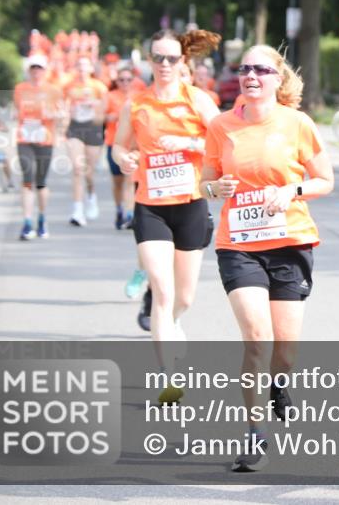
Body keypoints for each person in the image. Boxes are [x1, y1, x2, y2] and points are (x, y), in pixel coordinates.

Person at [200, 44, 334, 472]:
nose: (251, 75)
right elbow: (205, 181)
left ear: (278, 78)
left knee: (285, 351)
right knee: (256, 338)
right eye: (245, 69)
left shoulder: (298, 123)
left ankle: (280, 383)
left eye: (261, 69)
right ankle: (254, 433)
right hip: (238, 243)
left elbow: (324, 180)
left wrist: (290, 190)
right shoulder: (221, 126)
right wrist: (213, 190)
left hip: (289, 241)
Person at [112, 29, 220, 400]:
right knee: (162, 289)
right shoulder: (136, 104)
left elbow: (224, 140)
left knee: (184, 297)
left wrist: (189, 142)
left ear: (183, 61)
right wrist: (124, 159)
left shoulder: (199, 101)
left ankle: (173, 322)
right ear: (149, 60)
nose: (165, 65)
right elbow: (118, 146)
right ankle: (167, 373)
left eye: (172, 58)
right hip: (151, 206)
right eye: (158, 58)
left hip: (190, 203)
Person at [14, 55, 65, 240]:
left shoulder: (53, 90)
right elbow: (16, 110)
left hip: (45, 139)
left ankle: (42, 218)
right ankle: (27, 223)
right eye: (33, 68)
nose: (36, 71)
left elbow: (62, 114)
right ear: (29, 70)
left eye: (39, 68)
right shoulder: (20, 89)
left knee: (41, 182)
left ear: (44, 71)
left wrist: (53, 117)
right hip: (25, 139)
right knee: (27, 180)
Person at [63, 56, 109, 226]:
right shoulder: (69, 87)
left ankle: (91, 195)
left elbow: (104, 111)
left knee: (88, 173)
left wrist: (93, 105)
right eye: (79, 66)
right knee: (77, 168)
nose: (82, 69)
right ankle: (77, 210)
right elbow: (65, 108)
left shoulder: (99, 87)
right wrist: (67, 118)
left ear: (91, 68)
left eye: (85, 66)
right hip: (75, 128)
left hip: (93, 128)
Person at [105, 64, 143, 230]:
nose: (125, 83)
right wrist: (112, 117)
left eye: (129, 79)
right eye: (122, 80)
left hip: (132, 144)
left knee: (130, 179)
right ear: (117, 81)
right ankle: (119, 209)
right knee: (118, 181)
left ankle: (130, 213)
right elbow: (100, 117)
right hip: (114, 143)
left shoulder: (139, 97)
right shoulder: (110, 96)